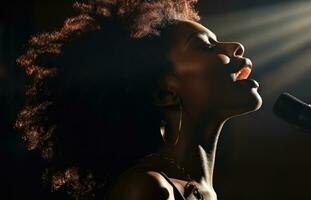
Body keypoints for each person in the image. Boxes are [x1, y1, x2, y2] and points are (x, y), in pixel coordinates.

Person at [16, 0, 262, 199]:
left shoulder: (203, 190)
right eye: (205, 47)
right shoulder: (146, 188)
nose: (236, 47)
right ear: (165, 93)